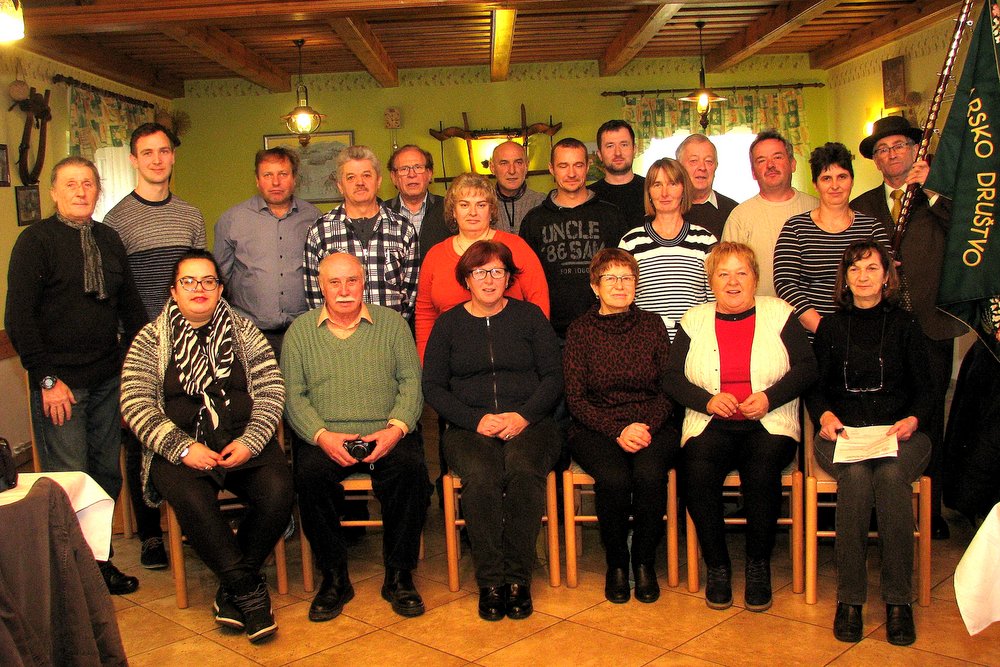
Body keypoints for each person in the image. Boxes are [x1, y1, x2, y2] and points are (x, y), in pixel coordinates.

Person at [120, 250, 292, 643]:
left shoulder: (244, 331)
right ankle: (248, 592)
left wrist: (250, 442)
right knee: (193, 501)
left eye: (208, 281)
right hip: (178, 450)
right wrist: (181, 448)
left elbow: (270, 390)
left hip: (242, 442)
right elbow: (135, 402)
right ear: (173, 291)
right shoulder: (151, 339)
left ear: (220, 288)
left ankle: (233, 587)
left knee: (280, 491)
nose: (199, 289)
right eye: (189, 281)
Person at [5, 156, 147, 595]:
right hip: (61, 386)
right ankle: (71, 578)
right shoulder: (35, 242)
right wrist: (47, 380)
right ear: (53, 192)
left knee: (106, 475)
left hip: (108, 379)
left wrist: (136, 368)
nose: (80, 191)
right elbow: (18, 319)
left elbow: (130, 308)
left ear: (98, 190)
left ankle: (99, 565)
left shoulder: (109, 239)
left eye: (88, 183)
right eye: (70, 184)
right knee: (70, 481)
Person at [666, 242, 817, 612]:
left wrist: (769, 398)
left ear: (755, 279)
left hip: (769, 421)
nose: (732, 282)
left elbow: (808, 368)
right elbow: (670, 377)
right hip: (709, 423)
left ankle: (758, 565)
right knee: (696, 470)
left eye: (741, 273)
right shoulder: (693, 319)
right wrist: (706, 401)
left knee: (761, 470)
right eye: (723, 274)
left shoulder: (780, 313)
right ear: (710, 281)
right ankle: (718, 566)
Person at [282, 253, 430, 622]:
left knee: (411, 471)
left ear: (364, 282)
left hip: (386, 430)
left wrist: (396, 429)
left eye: (352, 281)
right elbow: (292, 395)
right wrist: (321, 436)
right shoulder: (300, 332)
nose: (344, 290)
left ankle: (399, 575)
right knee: (309, 476)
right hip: (326, 434)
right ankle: (334, 578)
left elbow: (412, 382)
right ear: (321, 286)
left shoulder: (393, 324)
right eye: (335, 282)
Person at [422, 240, 563, 621]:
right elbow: (433, 386)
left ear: (509, 278)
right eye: (479, 272)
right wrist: (475, 419)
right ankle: (490, 581)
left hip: (531, 422)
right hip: (470, 426)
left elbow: (553, 377)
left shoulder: (530, 317)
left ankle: (517, 579)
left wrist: (524, 416)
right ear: (466, 279)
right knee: (482, 476)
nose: (489, 279)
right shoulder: (448, 325)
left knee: (522, 470)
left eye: (497, 271)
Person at [807, 239, 932, 647]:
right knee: (858, 479)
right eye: (855, 269)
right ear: (845, 277)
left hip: (900, 433)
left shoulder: (906, 324)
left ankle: (899, 603)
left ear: (886, 276)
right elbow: (815, 388)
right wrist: (824, 416)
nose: (863, 277)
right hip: (842, 434)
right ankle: (850, 601)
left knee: (892, 476)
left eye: (872, 269)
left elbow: (926, 389)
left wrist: (912, 419)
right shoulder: (830, 327)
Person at [851, 116, 967, 539]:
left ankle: (929, 508)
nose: (891, 154)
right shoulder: (862, 206)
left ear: (916, 150)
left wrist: (933, 192)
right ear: (876, 161)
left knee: (928, 414)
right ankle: (887, 507)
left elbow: (967, 233)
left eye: (899, 145)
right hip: (883, 328)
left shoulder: (941, 196)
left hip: (931, 324)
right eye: (882, 149)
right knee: (887, 413)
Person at [103, 121, 207, 571]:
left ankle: (197, 517)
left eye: (164, 151)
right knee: (139, 433)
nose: (157, 160)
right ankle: (149, 535)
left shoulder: (190, 214)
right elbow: (115, 291)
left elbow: (203, 279)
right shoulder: (115, 221)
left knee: (194, 422)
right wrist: (140, 338)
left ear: (172, 157)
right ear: (133, 160)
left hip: (192, 341)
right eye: (148, 153)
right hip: (142, 343)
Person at [563, 248, 680, 604]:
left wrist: (642, 426)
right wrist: (617, 430)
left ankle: (643, 562)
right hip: (595, 426)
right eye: (610, 278)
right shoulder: (580, 330)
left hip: (651, 423)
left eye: (626, 278)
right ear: (595, 286)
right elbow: (575, 397)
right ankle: (617, 563)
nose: (619, 285)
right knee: (614, 479)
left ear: (636, 284)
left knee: (648, 476)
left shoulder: (653, 325)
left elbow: (669, 387)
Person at [414, 172, 549, 361]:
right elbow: (425, 314)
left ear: (492, 210)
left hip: (513, 354)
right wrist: (426, 361)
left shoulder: (516, 247)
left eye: (481, 205)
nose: (472, 212)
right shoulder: (435, 255)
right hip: (453, 359)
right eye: (464, 205)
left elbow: (539, 302)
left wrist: (536, 350)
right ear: (453, 211)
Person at [214, 146, 322, 359]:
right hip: (249, 332)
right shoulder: (231, 220)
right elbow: (219, 280)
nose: (275, 182)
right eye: (267, 175)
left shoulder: (314, 218)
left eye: (283, 174)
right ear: (257, 179)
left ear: (294, 179)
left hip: (303, 330)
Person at [774, 142, 892, 334]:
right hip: (811, 337)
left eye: (842, 177)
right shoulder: (795, 228)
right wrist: (825, 330)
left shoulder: (872, 228)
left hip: (864, 333)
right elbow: (785, 285)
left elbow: (885, 281)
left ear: (852, 180)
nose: (835, 186)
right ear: (815, 184)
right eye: (826, 178)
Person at [520, 137, 628, 338]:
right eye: (563, 166)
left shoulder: (611, 216)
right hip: (552, 333)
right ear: (551, 169)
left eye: (578, 165)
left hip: (607, 328)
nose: (571, 173)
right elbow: (525, 281)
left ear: (588, 167)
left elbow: (625, 273)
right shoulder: (534, 220)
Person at [303, 145, 418, 321]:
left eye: (366, 175)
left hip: (388, 336)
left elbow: (411, 292)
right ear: (340, 186)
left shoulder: (403, 229)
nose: (360, 182)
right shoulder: (320, 231)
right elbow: (314, 294)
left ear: (378, 181)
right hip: (338, 339)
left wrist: (394, 330)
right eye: (351, 177)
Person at [618, 157, 716, 342]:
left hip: (695, 342)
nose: (665, 193)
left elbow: (714, 300)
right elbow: (623, 301)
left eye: (672, 183)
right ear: (649, 192)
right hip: (644, 344)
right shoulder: (630, 242)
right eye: (657, 184)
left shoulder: (705, 240)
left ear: (683, 189)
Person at [722, 129, 819, 297]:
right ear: (753, 172)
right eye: (761, 160)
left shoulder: (817, 208)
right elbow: (726, 279)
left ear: (793, 164)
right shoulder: (739, 217)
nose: (770, 165)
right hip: (759, 318)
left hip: (813, 317)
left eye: (777, 157)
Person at [385, 144, 451, 265]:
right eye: (404, 169)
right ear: (394, 177)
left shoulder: (450, 209)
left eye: (418, 167)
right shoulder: (381, 212)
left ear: (429, 173)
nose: (412, 174)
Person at [676, 133, 739, 240]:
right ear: (679, 166)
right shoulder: (668, 210)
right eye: (694, 161)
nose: (702, 167)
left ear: (716, 166)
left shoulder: (733, 212)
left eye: (708, 161)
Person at [589, 120, 646, 225]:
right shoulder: (588, 196)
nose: (618, 153)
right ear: (600, 154)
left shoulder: (653, 190)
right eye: (610, 146)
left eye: (624, 145)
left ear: (635, 149)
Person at [489, 140, 547, 233]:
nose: (512, 171)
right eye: (504, 163)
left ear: (526, 166)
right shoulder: (483, 205)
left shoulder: (543, 203)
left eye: (518, 162)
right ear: (492, 167)